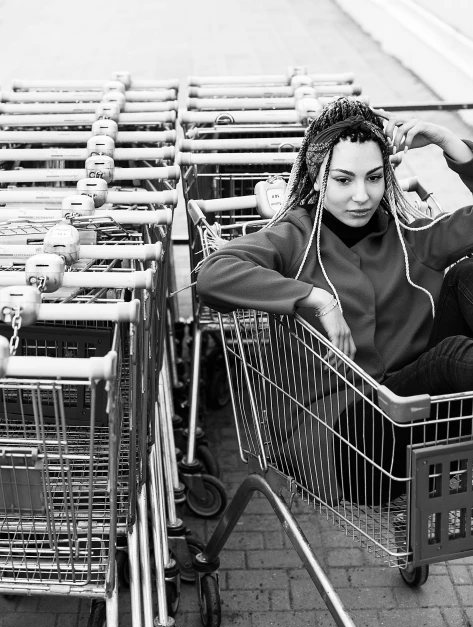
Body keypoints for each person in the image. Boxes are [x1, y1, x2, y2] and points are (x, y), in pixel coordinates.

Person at [196, 97, 473, 506]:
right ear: (317, 175)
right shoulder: (295, 238)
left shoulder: (409, 236)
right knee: (451, 358)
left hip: (409, 415)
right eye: (343, 180)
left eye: (374, 177)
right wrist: (314, 297)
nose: (362, 196)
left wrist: (451, 143)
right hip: (343, 442)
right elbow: (212, 274)